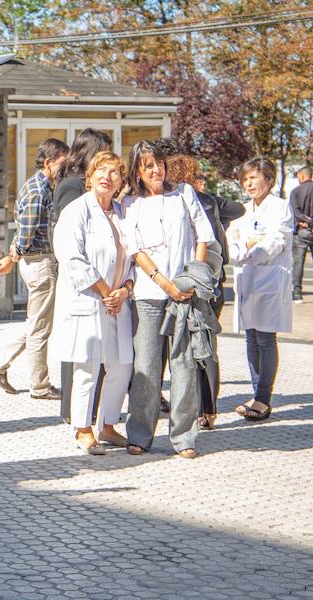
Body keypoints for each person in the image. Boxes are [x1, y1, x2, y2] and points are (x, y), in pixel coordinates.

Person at [119, 140, 215, 459]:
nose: (156, 169)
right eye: (148, 166)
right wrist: (163, 282)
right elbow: (135, 250)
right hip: (149, 295)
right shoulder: (130, 203)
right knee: (146, 365)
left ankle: (184, 437)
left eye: (159, 163)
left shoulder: (184, 194)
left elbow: (204, 237)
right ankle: (140, 434)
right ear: (137, 171)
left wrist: (189, 279)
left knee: (184, 364)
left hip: (185, 294)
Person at [52, 151, 134, 454]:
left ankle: (109, 424)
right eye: (101, 170)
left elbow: (134, 258)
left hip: (118, 301)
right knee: (87, 366)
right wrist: (104, 291)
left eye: (114, 172)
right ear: (90, 176)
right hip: (89, 299)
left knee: (121, 364)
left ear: (121, 181)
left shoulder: (123, 213)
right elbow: (71, 258)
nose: (107, 176)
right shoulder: (76, 210)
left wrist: (124, 289)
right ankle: (83, 428)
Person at [164, 153, 245, 429]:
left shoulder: (173, 202)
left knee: (181, 345)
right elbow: (238, 209)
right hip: (212, 282)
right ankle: (207, 409)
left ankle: (187, 406)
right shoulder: (210, 201)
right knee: (207, 346)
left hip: (183, 279)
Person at [0, 138, 69, 400]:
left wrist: (14, 255)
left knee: (36, 322)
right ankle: (40, 387)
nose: (65, 170)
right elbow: (27, 233)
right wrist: (14, 256)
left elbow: (23, 231)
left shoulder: (36, 187)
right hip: (40, 262)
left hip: (36, 261)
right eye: (62, 164)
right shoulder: (38, 190)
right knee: (40, 328)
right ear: (48, 163)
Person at [50, 128, 113, 423]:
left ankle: (87, 412)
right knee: (77, 353)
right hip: (81, 281)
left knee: (89, 355)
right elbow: (67, 237)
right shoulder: (72, 186)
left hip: (98, 282)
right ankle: (72, 413)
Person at [227, 157, 294, 422]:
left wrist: (247, 248)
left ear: (268, 177)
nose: (248, 183)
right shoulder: (243, 210)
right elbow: (232, 243)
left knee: (265, 339)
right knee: (251, 339)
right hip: (247, 281)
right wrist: (247, 245)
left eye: (254, 177)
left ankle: (264, 399)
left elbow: (276, 241)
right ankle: (257, 394)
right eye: (245, 179)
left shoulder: (279, 207)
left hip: (269, 281)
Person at [290, 166, 313, 303]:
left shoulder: (295, 192)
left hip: (301, 231)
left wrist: (307, 222)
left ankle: (297, 293)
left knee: (298, 263)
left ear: (302, 176)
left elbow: (295, 213)